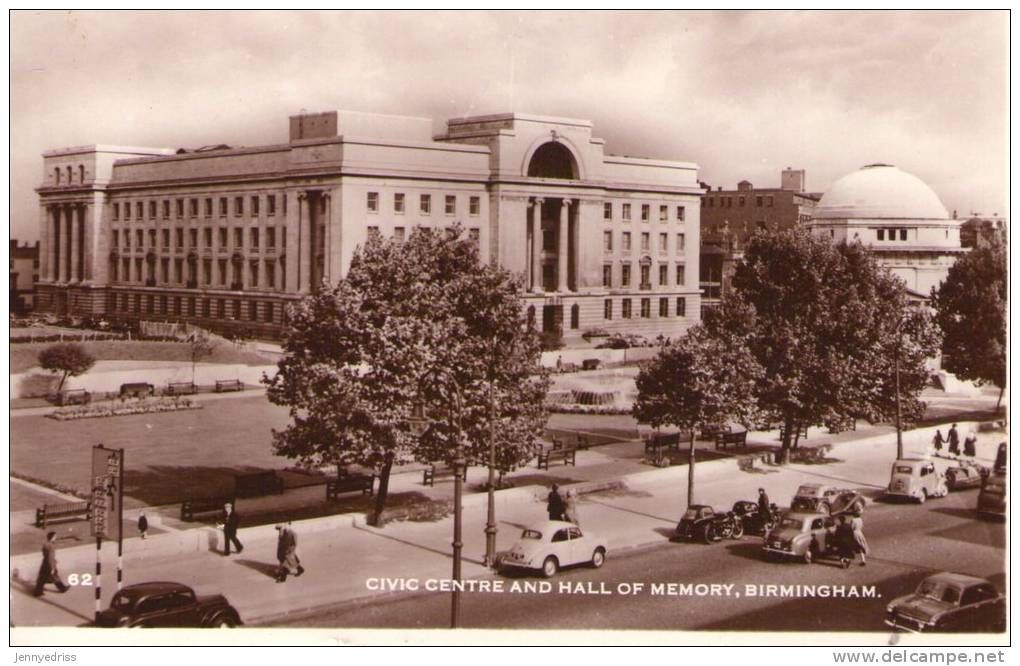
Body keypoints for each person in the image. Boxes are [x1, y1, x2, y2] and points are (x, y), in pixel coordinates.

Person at [34, 532, 69, 596]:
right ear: (52, 537)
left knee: (42, 578)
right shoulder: (51, 546)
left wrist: (54, 559)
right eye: (55, 536)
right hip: (49, 564)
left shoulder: (45, 544)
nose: (56, 538)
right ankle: (62, 588)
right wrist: (52, 567)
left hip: (44, 563)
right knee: (54, 576)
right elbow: (50, 557)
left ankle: (38, 592)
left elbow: (47, 555)